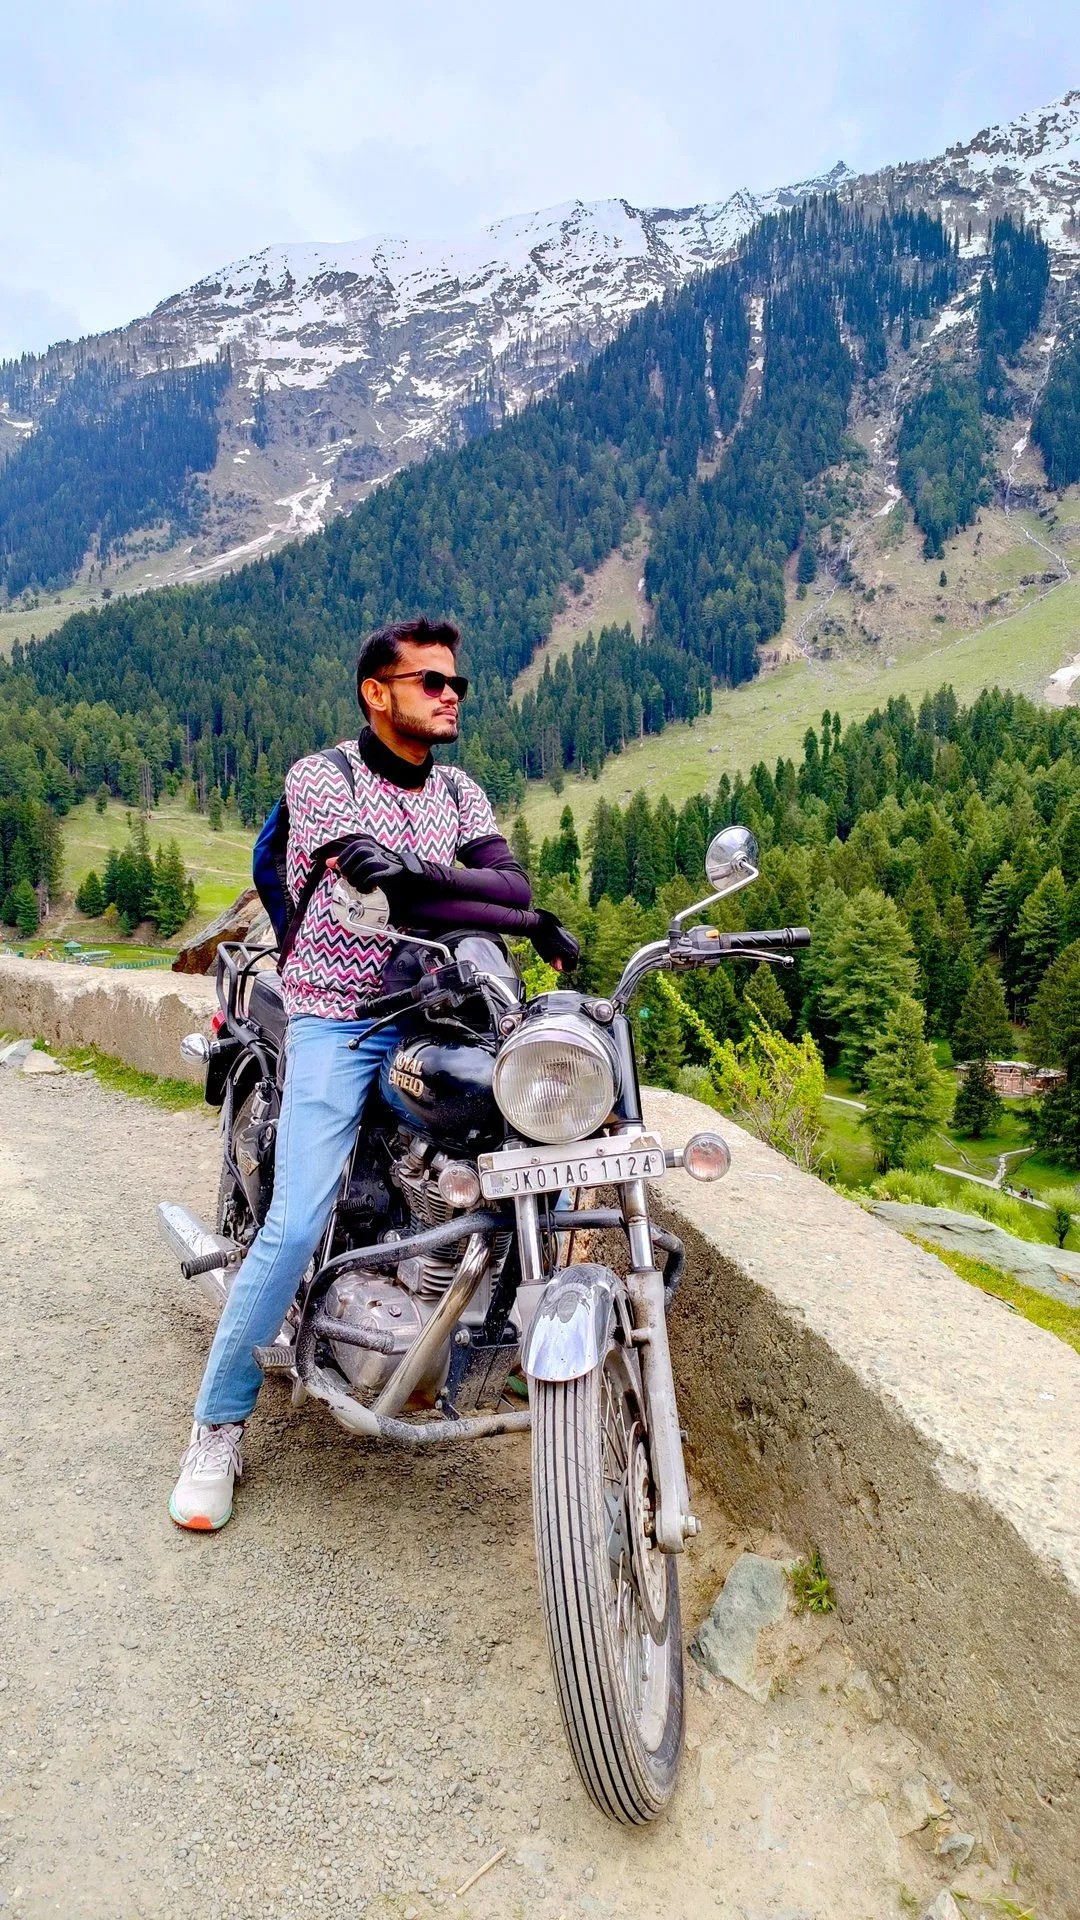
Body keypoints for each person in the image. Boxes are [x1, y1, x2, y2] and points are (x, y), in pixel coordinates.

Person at [169, 616, 578, 1531]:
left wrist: (480, 899)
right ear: (376, 692)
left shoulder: (462, 790)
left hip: (435, 1005)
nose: (450, 695)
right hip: (336, 1014)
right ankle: (216, 1425)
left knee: (535, 1145)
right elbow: (391, 887)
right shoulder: (324, 779)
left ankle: (495, 1336)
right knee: (301, 1212)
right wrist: (452, 890)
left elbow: (503, 891)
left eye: (457, 685)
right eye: (431, 681)